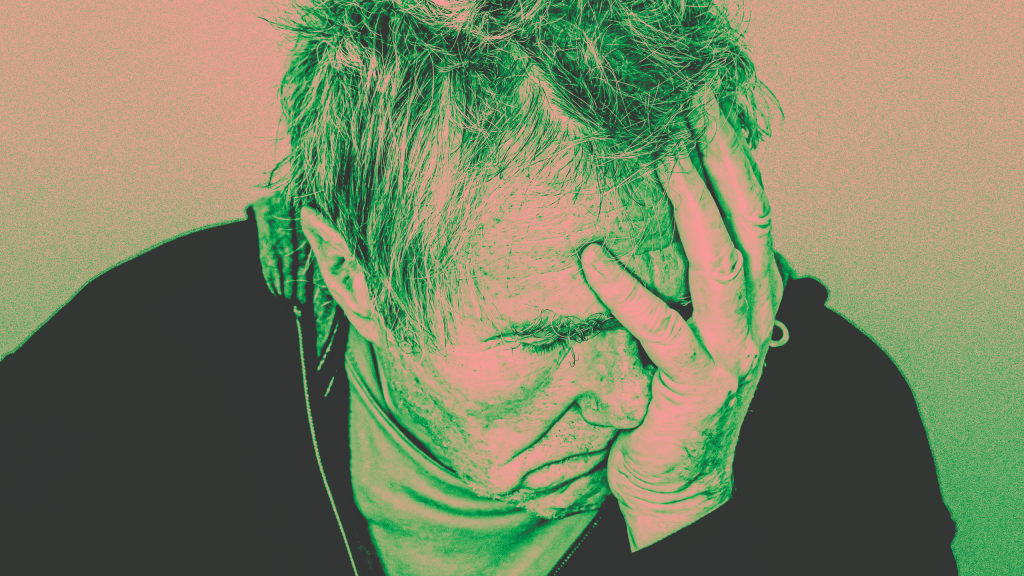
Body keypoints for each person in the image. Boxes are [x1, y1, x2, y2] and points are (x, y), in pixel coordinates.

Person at [2, 0, 957, 574]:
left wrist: (688, 511)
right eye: (548, 337)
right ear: (353, 276)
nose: (633, 397)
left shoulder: (836, 415)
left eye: (669, 314)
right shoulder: (119, 386)